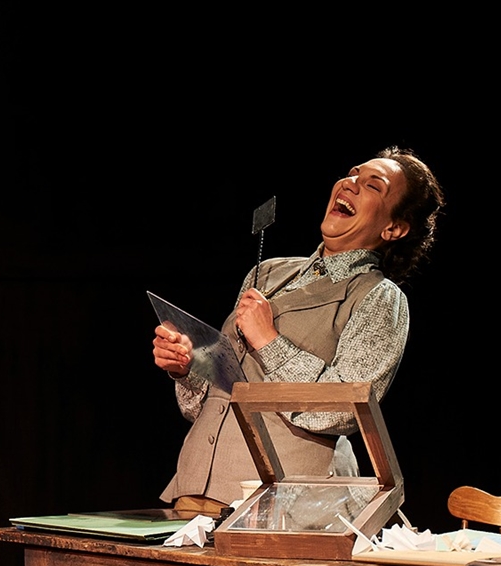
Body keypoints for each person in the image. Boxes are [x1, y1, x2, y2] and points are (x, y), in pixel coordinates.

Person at [153, 147, 444, 514]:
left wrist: (269, 341)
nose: (351, 183)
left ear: (394, 228)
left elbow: (345, 410)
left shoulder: (379, 296)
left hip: (282, 506)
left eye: (373, 185)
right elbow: (216, 399)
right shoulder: (267, 272)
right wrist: (187, 367)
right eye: (353, 173)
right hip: (195, 489)